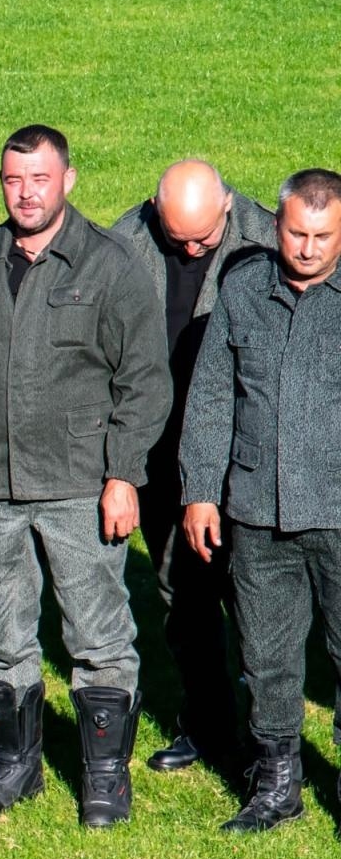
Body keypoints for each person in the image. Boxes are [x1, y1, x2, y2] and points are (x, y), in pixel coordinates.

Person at [0, 125, 170, 827]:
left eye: (39, 179)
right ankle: (13, 769)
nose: (25, 193)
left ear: (68, 180)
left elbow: (145, 381)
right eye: (12, 180)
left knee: (96, 638)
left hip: (79, 485)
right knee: (1, 635)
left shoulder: (111, 265)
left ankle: (102, 780)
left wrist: (124, 474)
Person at [179, 168, 341, 833]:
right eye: (296, 233)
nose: (306, 248)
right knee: (267, 657)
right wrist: (199, 493)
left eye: (322, 236)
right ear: (275, 225)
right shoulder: (242, 288)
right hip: (255, 511)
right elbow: (213, 396)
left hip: (335, 512)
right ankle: (276, 784)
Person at [111, 159, 275, 772]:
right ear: (156, 210)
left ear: (227, 206)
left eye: (202, 239)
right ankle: (206, 725)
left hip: (247, 455)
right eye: (175, 237)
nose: (188, 248)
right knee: (184, 598)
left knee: (262, 606)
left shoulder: (267, 240)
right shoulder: (124, 243)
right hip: (160, 452)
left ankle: (269, 742)